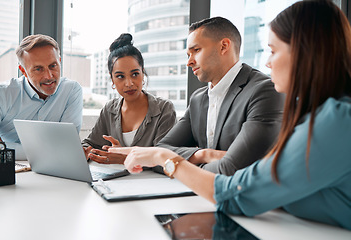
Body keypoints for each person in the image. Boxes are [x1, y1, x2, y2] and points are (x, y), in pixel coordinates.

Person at [110, 0, 351, 230]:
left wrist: (164, 157)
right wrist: (202, 154)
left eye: (273, 51)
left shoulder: (335, 122)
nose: (268, 63)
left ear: (304, 53)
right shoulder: (320, 117)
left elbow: (237, 191)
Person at [156, 16, 285, 175]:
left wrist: (176, 165)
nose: (189, 62)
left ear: (224, 46)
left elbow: (232, 168)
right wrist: (204, 154)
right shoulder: (198, 99)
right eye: (188, 54)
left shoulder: (265, 91)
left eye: (196, 50)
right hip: (196, 194)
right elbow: (159, 151)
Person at [83, 33, 176, 164]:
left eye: (135, 74)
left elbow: (166, 158)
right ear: (112, 79)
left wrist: (126, 157)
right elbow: (90, 143)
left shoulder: (164, 109)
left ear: (143, 73)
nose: (129, 83)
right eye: (120, 76)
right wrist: (85, 151)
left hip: (152, 182)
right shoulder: (110, 109)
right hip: (115, 180)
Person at [0, 34, 83, 160]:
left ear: (59, 62)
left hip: (53, 169)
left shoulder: (71, 90)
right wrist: (48, 151)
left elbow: (65, 146)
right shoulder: (0, 94)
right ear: (23, 71)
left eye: (53, 66)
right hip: (7, 168)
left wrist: (3, 147)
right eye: (38, 69)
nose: (49, 76)